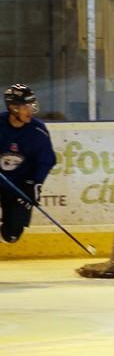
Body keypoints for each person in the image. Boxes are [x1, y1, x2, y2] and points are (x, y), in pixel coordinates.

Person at [0, 84, 56, 243]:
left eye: (31, 105)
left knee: (11, 236)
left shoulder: (37, 131)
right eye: (25, 106)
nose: (30, 110)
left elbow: (46, 161)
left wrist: (35, 183)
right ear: (13, 108)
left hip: (20, 184)